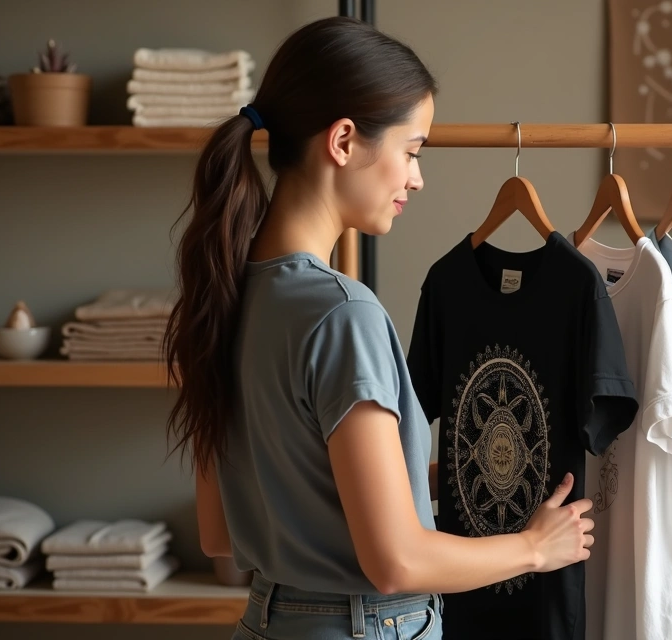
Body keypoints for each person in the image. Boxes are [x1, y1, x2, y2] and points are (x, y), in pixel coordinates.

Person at [164, 17, 594, 640]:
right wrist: (535, 547)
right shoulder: (344, 314)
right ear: (343, 140)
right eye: (412, 151)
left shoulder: (226, 293)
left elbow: (220, 532)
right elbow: (395, 562)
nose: (416, 177)